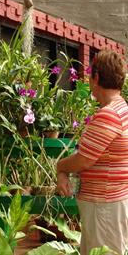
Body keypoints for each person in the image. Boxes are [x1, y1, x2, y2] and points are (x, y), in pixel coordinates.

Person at [57, 49, 128, 255]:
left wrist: (60, 167)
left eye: (89, 76)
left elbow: (84, 160)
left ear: (96, 78)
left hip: (103, 206)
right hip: (112, 202)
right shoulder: (122, 108)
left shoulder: (109, 115)